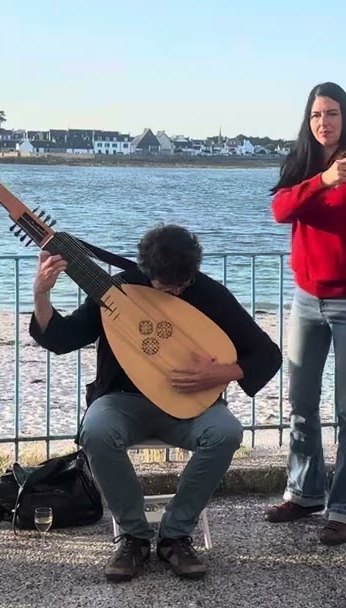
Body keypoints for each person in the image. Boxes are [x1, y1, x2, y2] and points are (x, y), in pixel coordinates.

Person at [29, 223, 282, 582]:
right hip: (122, 401)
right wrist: (42, 293)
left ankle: (176, 536)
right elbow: (61, 338)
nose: (177, 291)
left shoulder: (209, 294)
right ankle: (133, 537)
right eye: (167, 286)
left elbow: (267, 355)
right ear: (147, 273)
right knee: (97, 431)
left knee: (226, 432)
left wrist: (224, 373)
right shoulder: (117, 291)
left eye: (184, 284)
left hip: (191, 407)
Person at [262, 81, 346, 546]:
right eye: (318, 114)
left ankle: (345, 509)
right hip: (306, 300)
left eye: (333, 114)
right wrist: (324, 179)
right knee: (301, 403)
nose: (325, 122)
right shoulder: (301, 165)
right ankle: (305, 493)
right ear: (309, 119)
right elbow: (281, 209)